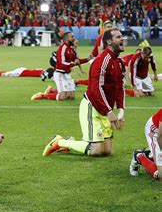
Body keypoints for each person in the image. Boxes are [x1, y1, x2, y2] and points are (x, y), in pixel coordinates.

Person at [42, 28, 126, 157]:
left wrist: (120, 111)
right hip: (92, 107)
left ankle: (69, 142)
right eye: (119, 37)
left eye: (122, 36)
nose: (122, 39)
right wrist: (109, 112)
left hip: (105, 109)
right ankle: (60, 142)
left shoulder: (119, 62)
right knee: (96, 150)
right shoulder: (102, 60)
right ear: (109, 41)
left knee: (107, 151)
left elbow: (120, 87)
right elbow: (95, 89)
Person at [31, 33, 89, 101]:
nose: (73, 38)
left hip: (67, 74)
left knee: (71, 97)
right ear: (67, 38)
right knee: (62, 97)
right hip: (60, 74)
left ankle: (51, 91)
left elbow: (77, 61)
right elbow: (62, 63)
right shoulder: (63, 48)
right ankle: (42, 96)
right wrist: (73, 64)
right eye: (72, 37)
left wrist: (88, 59)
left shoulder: (70, 49)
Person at [129, 109, 162, 179]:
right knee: (161, 175)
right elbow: (160, 137)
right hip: (154, 132)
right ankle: (138, 156)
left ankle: (150, 155)